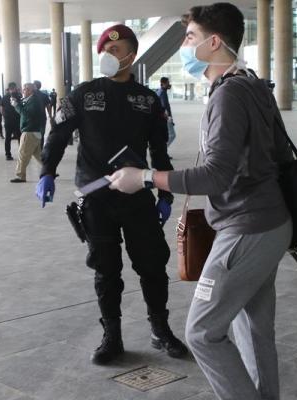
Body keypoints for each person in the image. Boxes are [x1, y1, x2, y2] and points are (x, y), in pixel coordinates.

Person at [107, 4, 293, 399]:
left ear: (214, 42)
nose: (184, 46)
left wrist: (144, 177)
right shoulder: (253, 84)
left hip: (246, 228)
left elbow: (215, 176)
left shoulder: (229, 95)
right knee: (253, 328)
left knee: (202, 332)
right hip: (270, 223)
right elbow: (276, 155)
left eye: (190, 37)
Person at [36, 24, 187, 365]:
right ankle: (112, 336)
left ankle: (160, 329)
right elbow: (58, 135)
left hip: (136, 194)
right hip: (95, 198)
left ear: (131, 55)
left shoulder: (147, 100)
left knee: (152, 266)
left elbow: (159, 149)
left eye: (116, 50)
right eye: (105, 50)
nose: (109, 54)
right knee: (106, 270)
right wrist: (47, 172)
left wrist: (165, 194)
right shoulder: (84, 94)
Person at [10, 83, 44, 183]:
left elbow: (26, 114)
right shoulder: (31, 100)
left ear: (30, 90)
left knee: (22, 154)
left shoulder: (34, 101)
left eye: (25, 89)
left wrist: (16, 105)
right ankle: (50, 170)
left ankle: (20, 176)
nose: (23, 91)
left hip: (29, 131)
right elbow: (25, 111)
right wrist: (17, 104)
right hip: (34, 131)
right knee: (39, 156)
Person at [1, 82, 22, 161]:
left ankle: (8, 155)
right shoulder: (18, 96)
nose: (14, 90)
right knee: (19, 137)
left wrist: (4, 116)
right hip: (16, 120)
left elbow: (1, 108)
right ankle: (20, 154)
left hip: (10, 120)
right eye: (14, 88)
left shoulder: (5, 97)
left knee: (9, 137)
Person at [156, 77, 177, 147]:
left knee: (164, 135)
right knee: (172, 135)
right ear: (163, 83)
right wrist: (169, 118)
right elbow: (164, 106)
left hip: (161, 118)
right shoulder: (162, 93)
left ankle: (162, 149)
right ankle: (162, 149)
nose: (169, 84)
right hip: (165, 117)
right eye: (167, 83)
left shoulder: (160, 91)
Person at [33, 80, 52, 145]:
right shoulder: (44, 95)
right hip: (42, 118)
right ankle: (40, 148)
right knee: (41, 134)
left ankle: (36, 147)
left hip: (33, 118)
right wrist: (50, 116)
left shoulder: (31, 94)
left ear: (35, 86)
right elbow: (48, 106)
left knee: (34, 134)